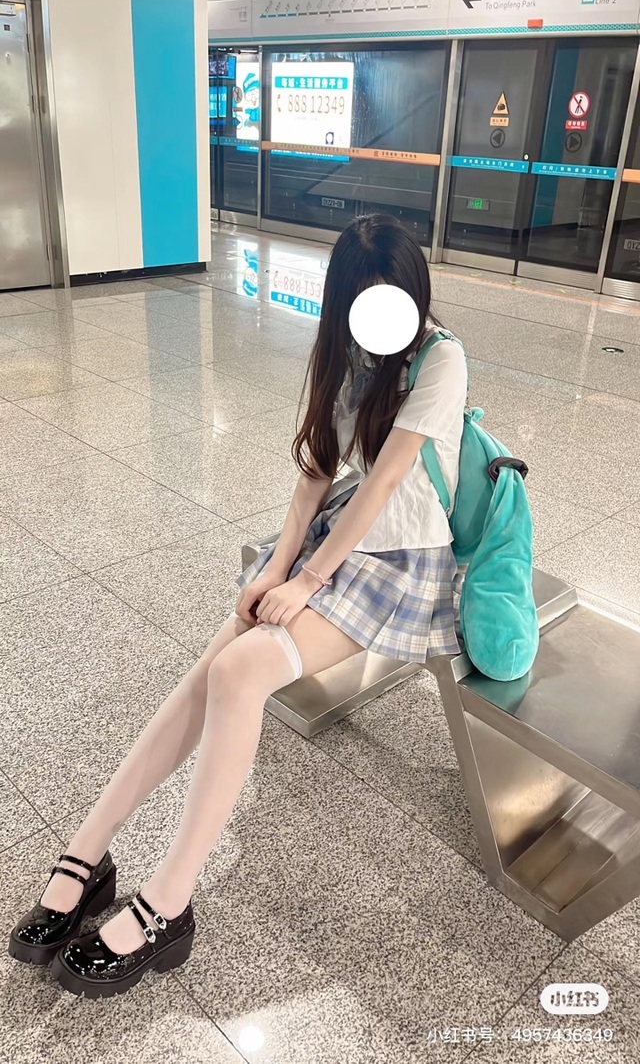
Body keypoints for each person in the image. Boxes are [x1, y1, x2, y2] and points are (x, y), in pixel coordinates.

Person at [8, 214, 467, 998]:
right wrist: (274, 570)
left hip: (400, 560)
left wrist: (306, 580)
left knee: (240, 671)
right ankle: (90, 849)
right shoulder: (346, 350)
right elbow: (316, 475)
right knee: (215, 662)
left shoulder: (441, 357)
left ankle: (169, 900)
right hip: (336, 541)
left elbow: (387, 481)